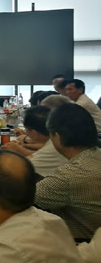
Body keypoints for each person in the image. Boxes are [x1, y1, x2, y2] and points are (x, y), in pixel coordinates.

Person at [35, 103, 101, 240]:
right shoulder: (96, 155)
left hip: (82, 247)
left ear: (57, 137)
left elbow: (26, 197)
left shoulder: (70, 175)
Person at [3, 106, 68, 177]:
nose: (26, 133)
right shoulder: (58, 137)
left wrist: (12, 153)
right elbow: (40, 153)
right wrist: (21, 147)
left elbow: (16, 168)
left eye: (26, 130)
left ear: (34, 133)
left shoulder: (54, 148)